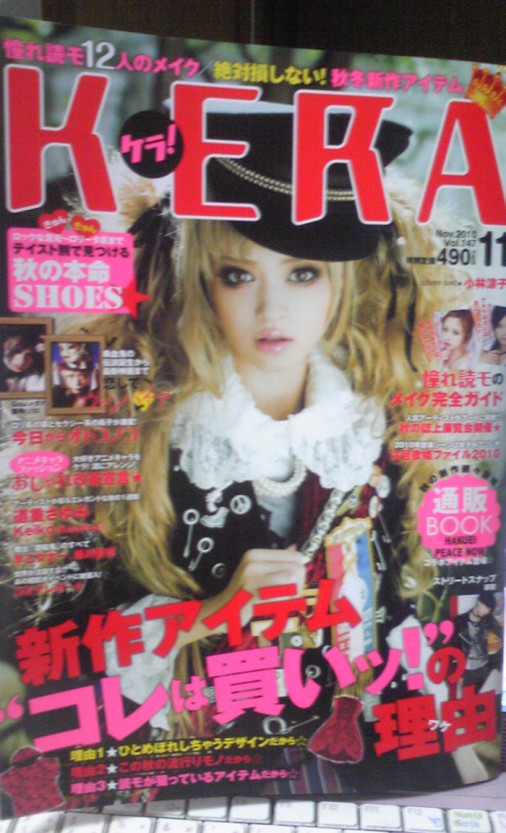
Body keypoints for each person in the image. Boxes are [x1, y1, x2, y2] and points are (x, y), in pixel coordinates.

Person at [11, 109, 490, 793]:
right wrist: (206, 615)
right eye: (238, 275)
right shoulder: (129, 432)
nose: (272, 310)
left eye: (303, 274)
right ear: (200, 280)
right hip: (199, 770)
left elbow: (395, 613)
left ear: (343, 280)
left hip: (373, 761)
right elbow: (52, 658)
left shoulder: (375, 424)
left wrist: (456, 753)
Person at [453, 592, 503, 691]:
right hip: (467, 671)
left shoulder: (489, 621)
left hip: (484, 668)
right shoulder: (460, 621)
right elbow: (455, 648)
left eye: (489, 610)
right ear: (479, 603)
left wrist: (493, 666)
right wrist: (458, 673)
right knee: (469, 698)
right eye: (486, 607)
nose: (487, 612)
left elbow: (501, 637)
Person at [51, 342, 100, 409]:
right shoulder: (60, 398)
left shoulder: (92, 397)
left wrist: (95, 387)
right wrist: (57, 387)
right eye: (70, 376)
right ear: (61, 375)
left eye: (83, 376)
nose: (77, 383)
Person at [0, 328, 45, 393]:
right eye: (17, 352)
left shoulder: (34, 372)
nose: (21, 361)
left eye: (29, 355)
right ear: (6, 348)